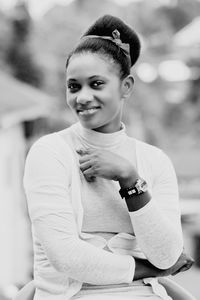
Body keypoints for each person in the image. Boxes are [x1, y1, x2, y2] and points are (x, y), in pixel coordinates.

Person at [23, 14, 193, 300]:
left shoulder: (154, 161)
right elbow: (66, 257)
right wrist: (146, 269)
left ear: (126, 86)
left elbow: (166, 256)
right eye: (73, 86)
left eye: (96, 84)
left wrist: (130, 180)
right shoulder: (50, 152)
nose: (83, 97)